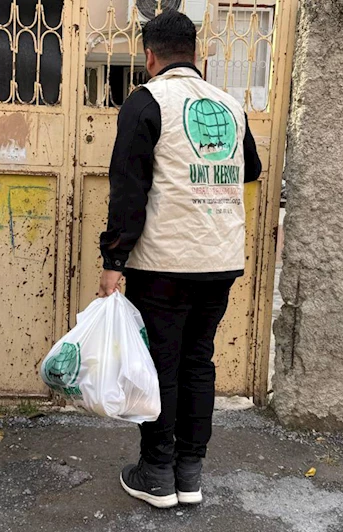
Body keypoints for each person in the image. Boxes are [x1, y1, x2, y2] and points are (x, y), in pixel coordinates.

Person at [98, 10, 262, 508]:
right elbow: (250, 167)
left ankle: (157, 473)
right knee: (198, 362)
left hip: (164, 262)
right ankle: (189, 474)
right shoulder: (229, 105)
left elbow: (129, 188)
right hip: (220, 258)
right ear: (198, 53)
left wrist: (113, 260)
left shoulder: (147, 102)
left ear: (149, 56)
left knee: (162, 364)